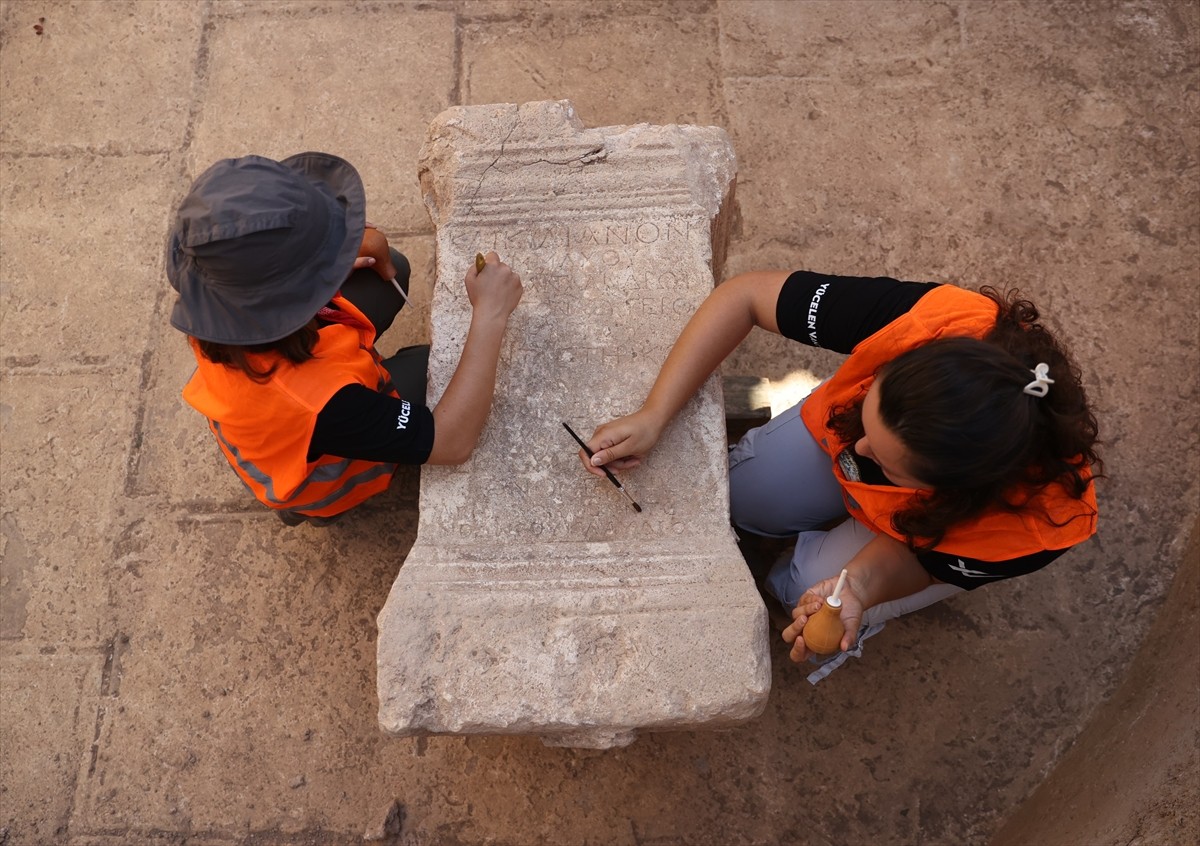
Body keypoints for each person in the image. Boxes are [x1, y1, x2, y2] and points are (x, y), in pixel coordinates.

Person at [579, 269, 1100, 678]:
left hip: (929, 533)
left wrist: (860, 590)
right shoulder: (931, 321)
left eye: (887, 463)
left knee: (807, 595)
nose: (859, 449)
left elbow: (923, 561)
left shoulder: (1033, 529)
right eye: (871, 415)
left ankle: (798, 580)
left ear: (955, 488)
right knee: (743, 498)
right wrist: (654, 414)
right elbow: (746, 297)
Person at [166, 152, 522, 525]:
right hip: (321, 458)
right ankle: (313, 510)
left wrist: (327, 262)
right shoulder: (323, 404)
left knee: (390, 268)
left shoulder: (212, 305)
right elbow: (452, 442)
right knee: (436, 369)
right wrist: (490, 313)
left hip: (280, 411)